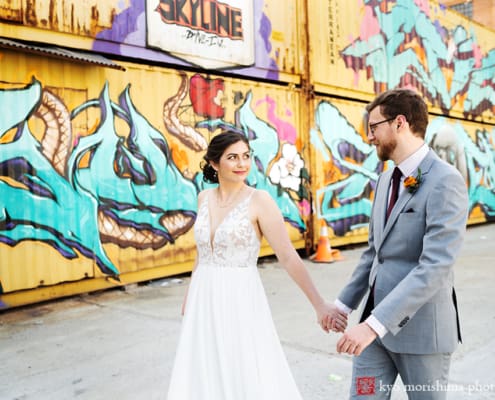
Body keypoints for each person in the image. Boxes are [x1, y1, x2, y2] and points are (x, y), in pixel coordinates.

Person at [167, 130, 347, 400]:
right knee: (204, 366)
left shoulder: (259, 200)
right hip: (203, 297)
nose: (242, 164)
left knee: (243, 365)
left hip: (240, 296)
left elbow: (287, 256)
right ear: (215, 164)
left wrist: (319, 304)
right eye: (232, 158)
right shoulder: (203, 198)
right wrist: (189, 294)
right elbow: (202, 253)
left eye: (246, 156)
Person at [332, 89, 469, 399]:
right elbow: (374, 253)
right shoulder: (384, 180)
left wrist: (374, 324)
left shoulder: (445, 181)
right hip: (373, 332)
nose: (369, 137)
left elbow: (435, 266)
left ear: (400, 123)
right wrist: (343, 305)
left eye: (373, 127)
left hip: (421, 334)